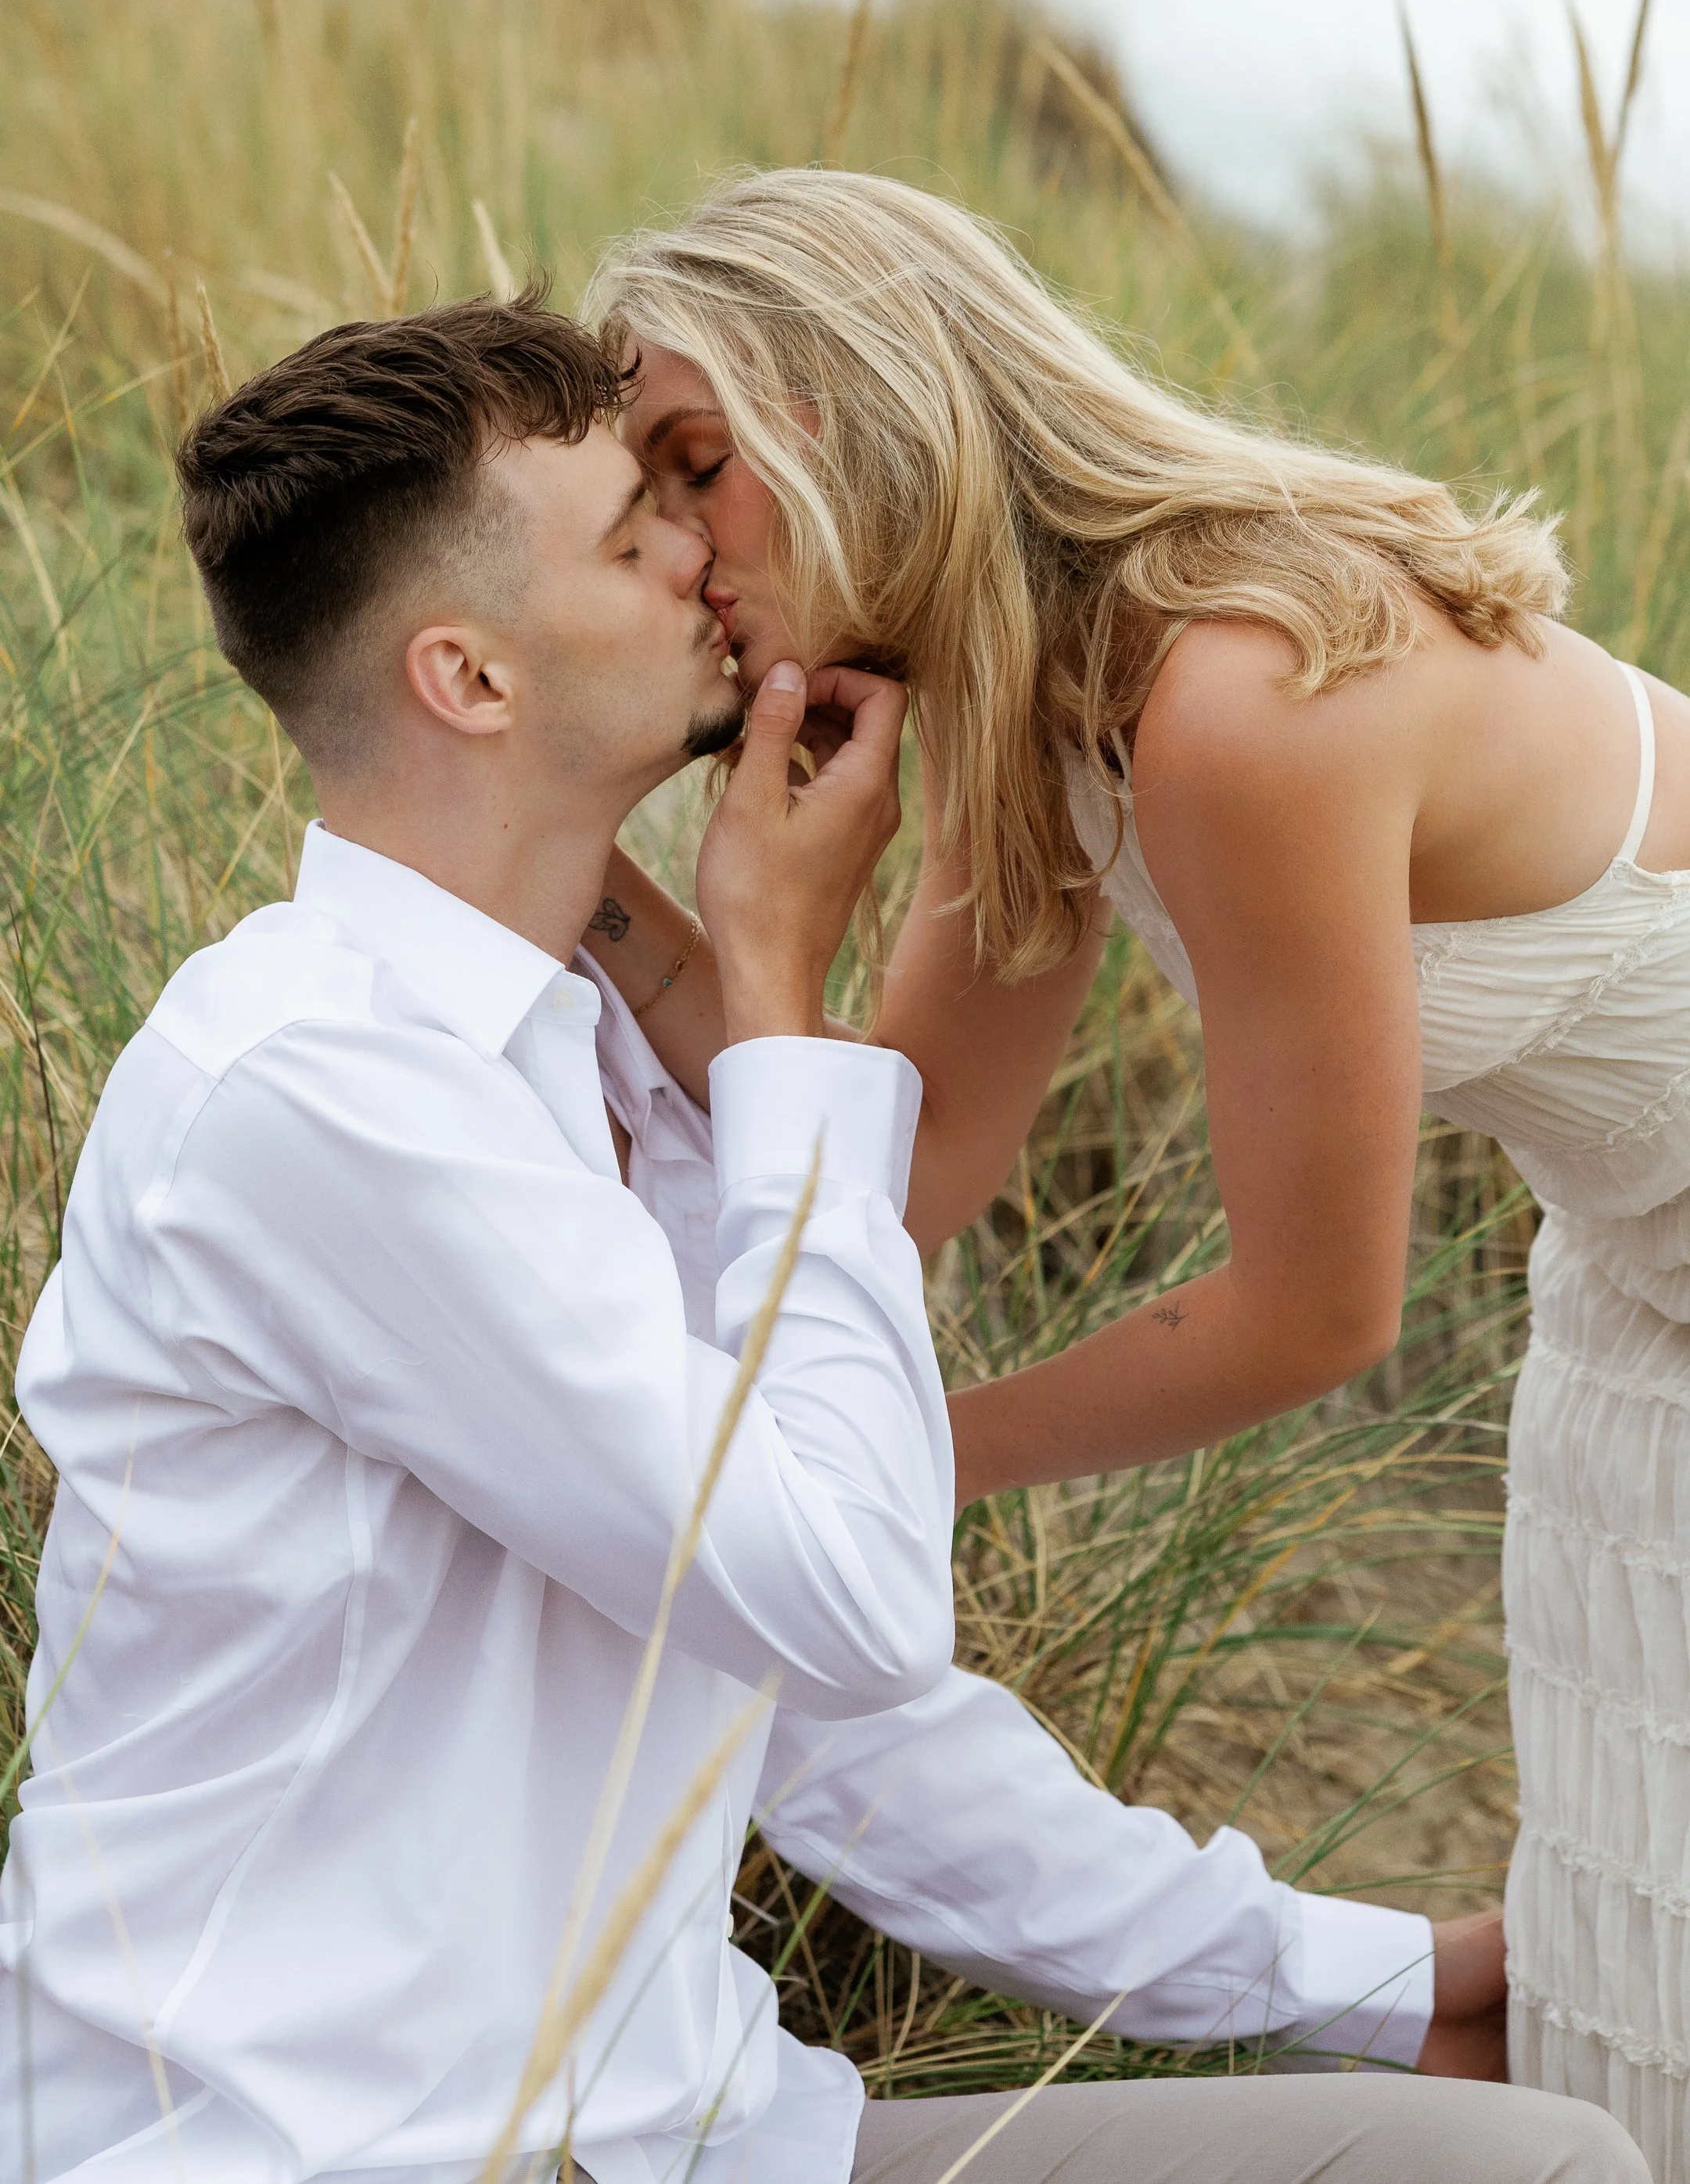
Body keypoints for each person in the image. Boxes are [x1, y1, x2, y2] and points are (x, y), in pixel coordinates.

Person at [0, 297, 1639, 2184]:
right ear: (469, 676)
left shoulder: (607, 1059)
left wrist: (1366, 1981)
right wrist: (775, 1013)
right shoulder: (312, 1093)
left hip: (714, 2134)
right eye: (633, 534)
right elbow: (854, 1592)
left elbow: (830, 1716)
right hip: (308, 2152)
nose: (700, 556)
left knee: (1532, 2162)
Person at [589, 169, 1690, 2182]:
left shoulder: (1233, 694)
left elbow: (1314, 1314)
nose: (677, 547)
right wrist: (595, 872)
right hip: (1641, 1278)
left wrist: (881, 1469)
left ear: (841, 404)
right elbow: (912, 1159)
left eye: (696, 464)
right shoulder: (1037, 697)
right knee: (1637, 1952)